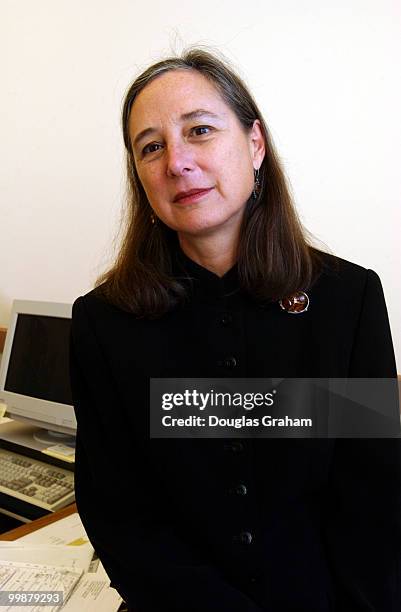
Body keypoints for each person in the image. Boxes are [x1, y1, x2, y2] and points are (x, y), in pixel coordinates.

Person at [69, 47, 401, 611]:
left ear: (255, 144)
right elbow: (119, 515)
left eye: (199, 130)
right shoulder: (105, 322)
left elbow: (372, 504)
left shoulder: (348, 299)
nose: (176, 161)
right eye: (151, 147)